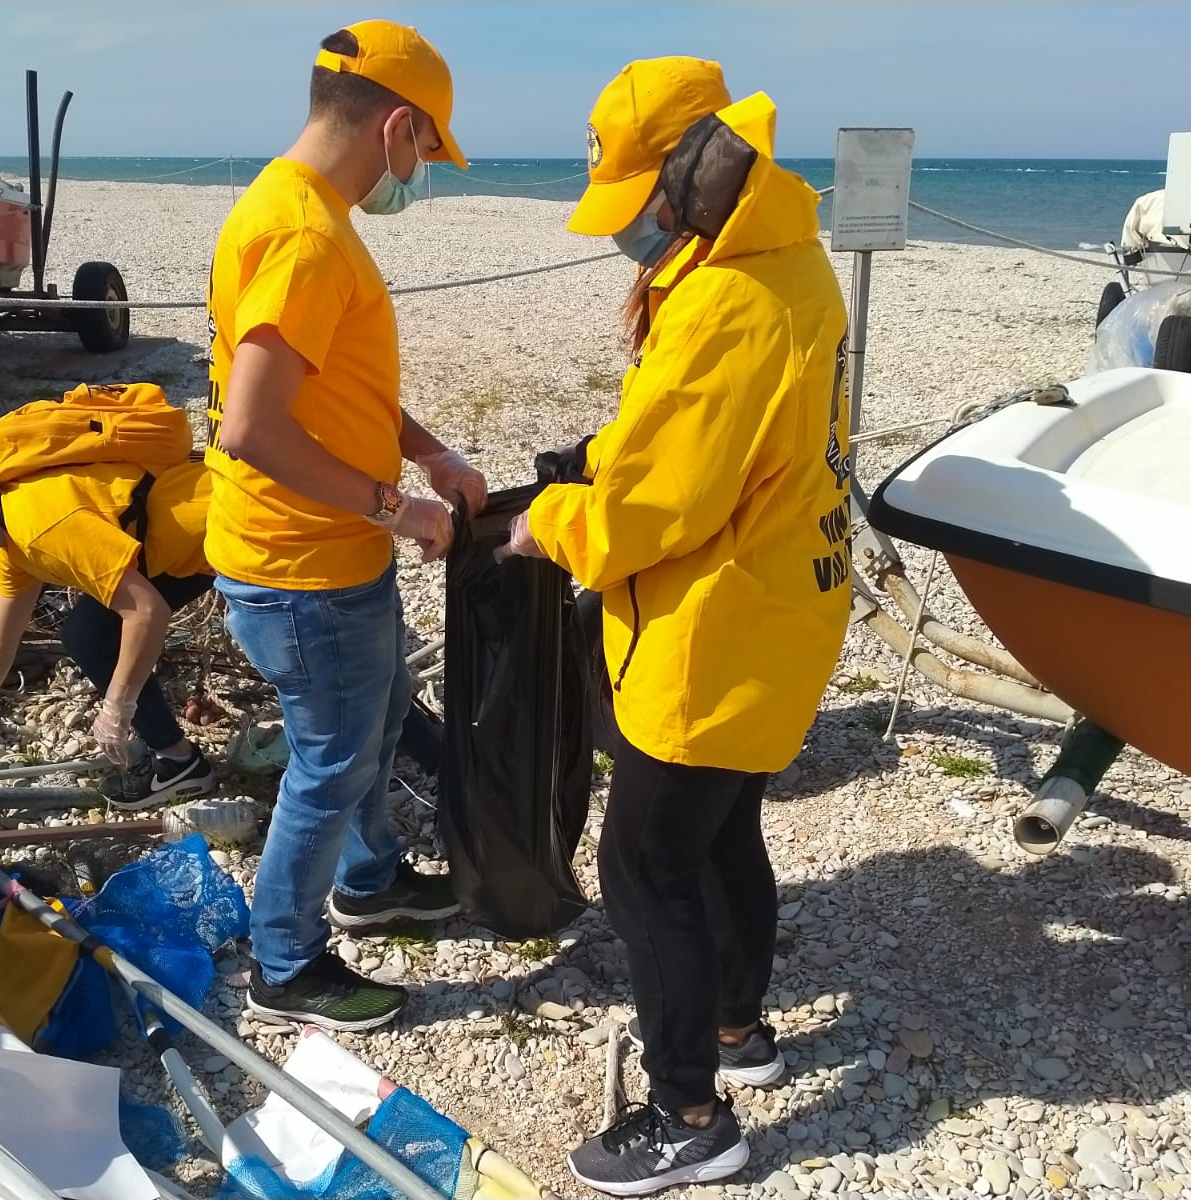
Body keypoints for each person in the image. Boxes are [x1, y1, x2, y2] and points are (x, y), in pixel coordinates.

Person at [500, 59, 853, 1195]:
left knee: (644, 859)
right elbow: (709, 442)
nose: (629, 234)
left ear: (686, 177)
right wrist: (603, 454)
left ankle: (689, 1114)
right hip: (784, 609)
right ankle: (743, 1031)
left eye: (635, 204)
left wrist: (547, 517)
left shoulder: (721, 302)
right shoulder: (790, 261)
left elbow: (645, 519)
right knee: (724, 825)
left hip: (713, 630)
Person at [204, 19, 487, 1032]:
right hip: (302, 564)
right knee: (330, 760)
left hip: (314, 552)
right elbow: (249, 428)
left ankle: (368, 882)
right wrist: (393, 506)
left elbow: (337, 385)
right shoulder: (306, 235)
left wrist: (426, 451)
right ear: (398, 126)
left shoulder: (297, 206)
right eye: (425, 152)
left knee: (367, 721)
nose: (419, 172)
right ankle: (286, 965)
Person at [0, 443, 219, 808]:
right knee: (87, 633)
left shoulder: (36, 529)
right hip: (182, 528)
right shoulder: (7, 519)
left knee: (91, 636)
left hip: (216, 527)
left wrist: (117, 706)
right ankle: (177, 759)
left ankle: (178, 764)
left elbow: (147, 613)